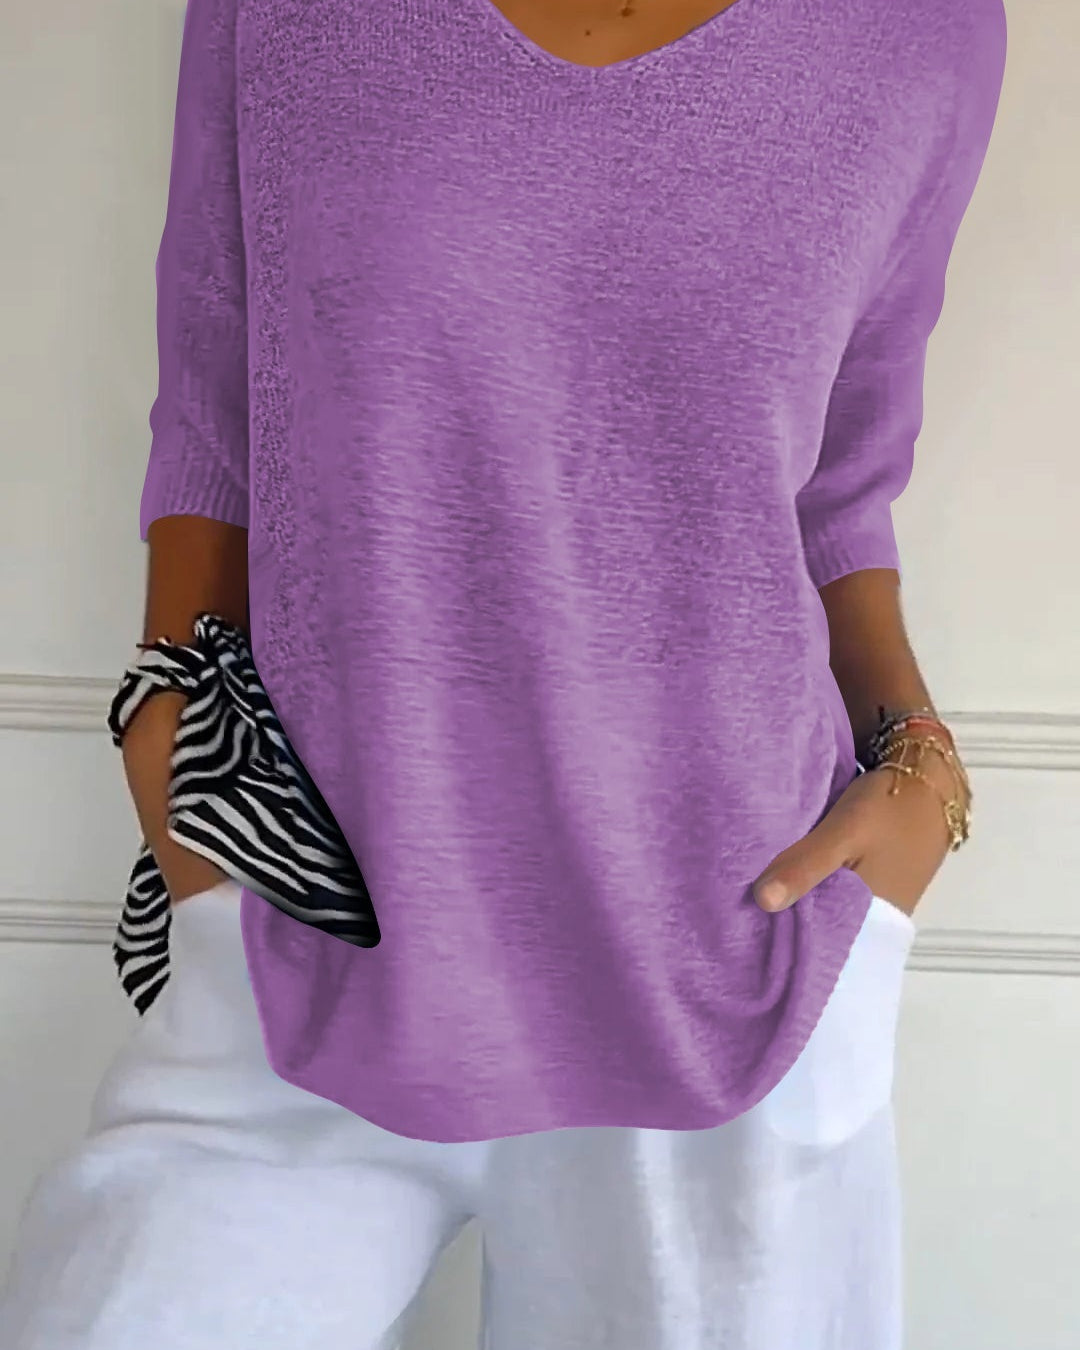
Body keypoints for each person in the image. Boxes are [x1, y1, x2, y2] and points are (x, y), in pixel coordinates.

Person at [1, 1, 1004, 1347]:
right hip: (308, 935)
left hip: (732, 968)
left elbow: (839, 493)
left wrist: (918, 770)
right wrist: (175, 766)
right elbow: (216, 413)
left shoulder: (923, 32)